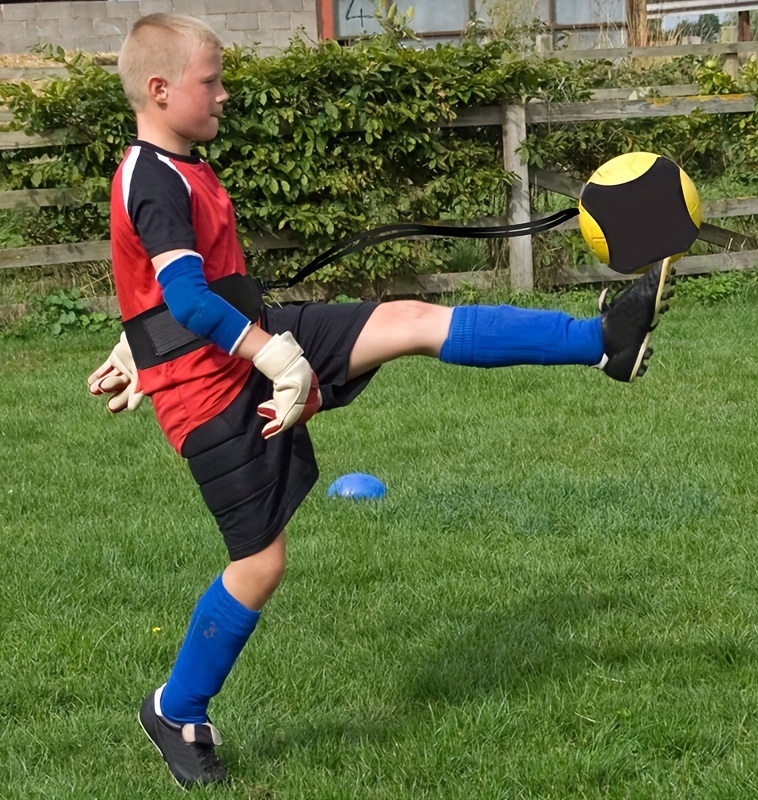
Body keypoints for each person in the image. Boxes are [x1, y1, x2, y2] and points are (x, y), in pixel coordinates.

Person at [87, 13, 675, 789]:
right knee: (259, 566)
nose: (225, 95)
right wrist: (253, 353)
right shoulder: (154, 177)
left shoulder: (178, 164)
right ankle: (175, 708)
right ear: (160, 90)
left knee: (406, 320)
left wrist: (140, 342)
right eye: (212, 81)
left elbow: (174, 286)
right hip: (209, 397)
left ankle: (604, 340)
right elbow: (184, 295)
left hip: (249, 342)